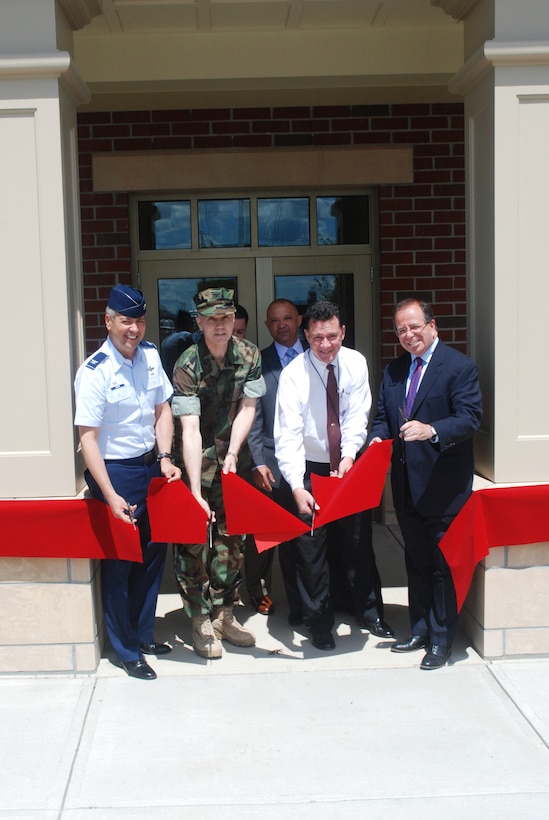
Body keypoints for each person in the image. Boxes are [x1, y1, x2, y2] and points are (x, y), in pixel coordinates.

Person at [74, 284, 182, 680]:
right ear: (108, 321)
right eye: (125, 320)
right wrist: (109, 493)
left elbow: (163, 409)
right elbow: (87, 438)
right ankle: (124, 650)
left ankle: (142, 634)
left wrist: (166, 457)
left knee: (153, 557)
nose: (133, 329)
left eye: (138, 320)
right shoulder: (94, 371)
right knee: (120, 563)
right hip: (115, 473)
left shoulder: (152, 357)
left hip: (150, 468)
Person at [369, 297, 482, 670]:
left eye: (414, 326)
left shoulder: (459, 367)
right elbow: (384, 418)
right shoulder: (395, 370)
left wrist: (432, 429)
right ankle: (418, 629)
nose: (408, 334)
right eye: (401, 329)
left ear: (433, 326)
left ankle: (440, 640)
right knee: (415, 562)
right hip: (406, 486)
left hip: (444, 487)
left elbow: (469, 419)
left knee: (440, 566)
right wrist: (375, 440)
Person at [274, 300, 392, 650]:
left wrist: (350, 454)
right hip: (309, 467)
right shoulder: (293, 374)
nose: (325, 345)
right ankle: (319, 623)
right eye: (317, 338)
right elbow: (288, 435)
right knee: (311, 550)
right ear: (306, 334)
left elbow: (358, 414)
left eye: (332, 336)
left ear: (342, 332)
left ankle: (368, 612)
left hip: (346, 464)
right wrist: (296, 485)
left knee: (357, 543)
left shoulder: (355, 363)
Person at [171, 287, 266, 659]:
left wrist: (235, 453)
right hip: (195, 461)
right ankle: (199, 618)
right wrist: (194, 489)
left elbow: (248, 408)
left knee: (232, 539)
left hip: (232, 463)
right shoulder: (187, 364)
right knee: (193, 541)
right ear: (199, 322)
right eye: (211, 319)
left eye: (225, 317)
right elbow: (189, 429)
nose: (220, 325)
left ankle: (225, 613)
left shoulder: (250, 354)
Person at [245, 299, 303, 620]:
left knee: (306, 537)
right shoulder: (259, 362)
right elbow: (251, 416)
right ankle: (257, 590)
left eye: (287, 318)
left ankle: (309, 596)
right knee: (264, 537)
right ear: (267, 326)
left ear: (299, 320)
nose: (282, 325)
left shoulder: (318, 354)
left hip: (311, 464)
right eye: (274, 321)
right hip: (270, 462)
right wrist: (256, 461)